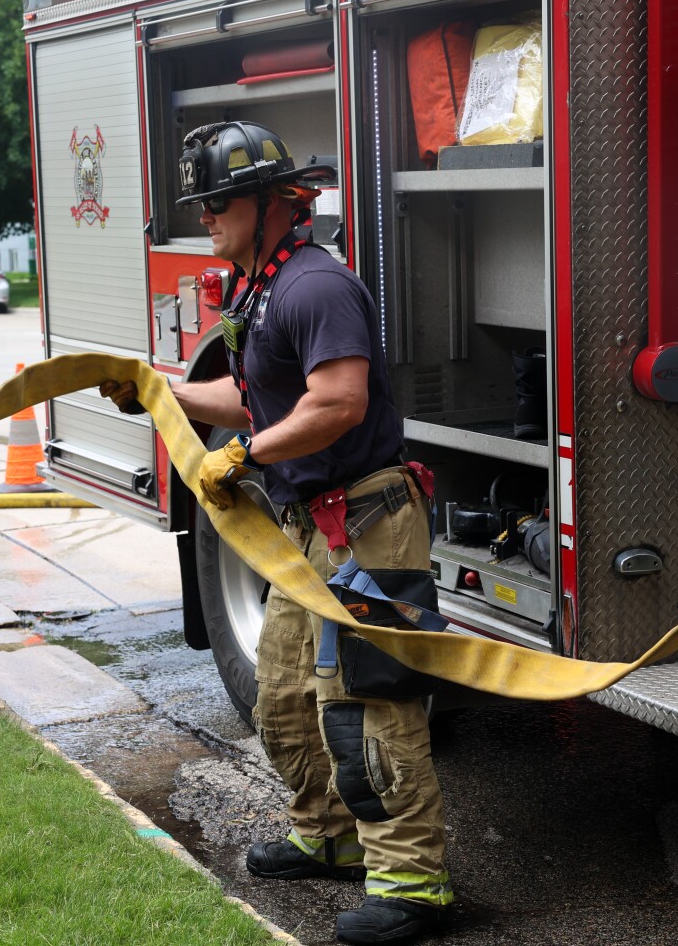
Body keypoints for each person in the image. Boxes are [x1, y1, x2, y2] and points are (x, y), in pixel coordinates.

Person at [102, 121, 452, 945]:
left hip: (368, 523)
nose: (205, 218)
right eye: (203, 204)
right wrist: (160, 392)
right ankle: (327, 837)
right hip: (309, 529)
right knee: (286, 691)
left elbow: (339, 402)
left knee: (369, 702)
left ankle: (413, 882)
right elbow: (254, 398)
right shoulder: (260, 289)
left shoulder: (314, 287)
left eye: (218, 203)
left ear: (272, 205)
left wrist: (245, 455)